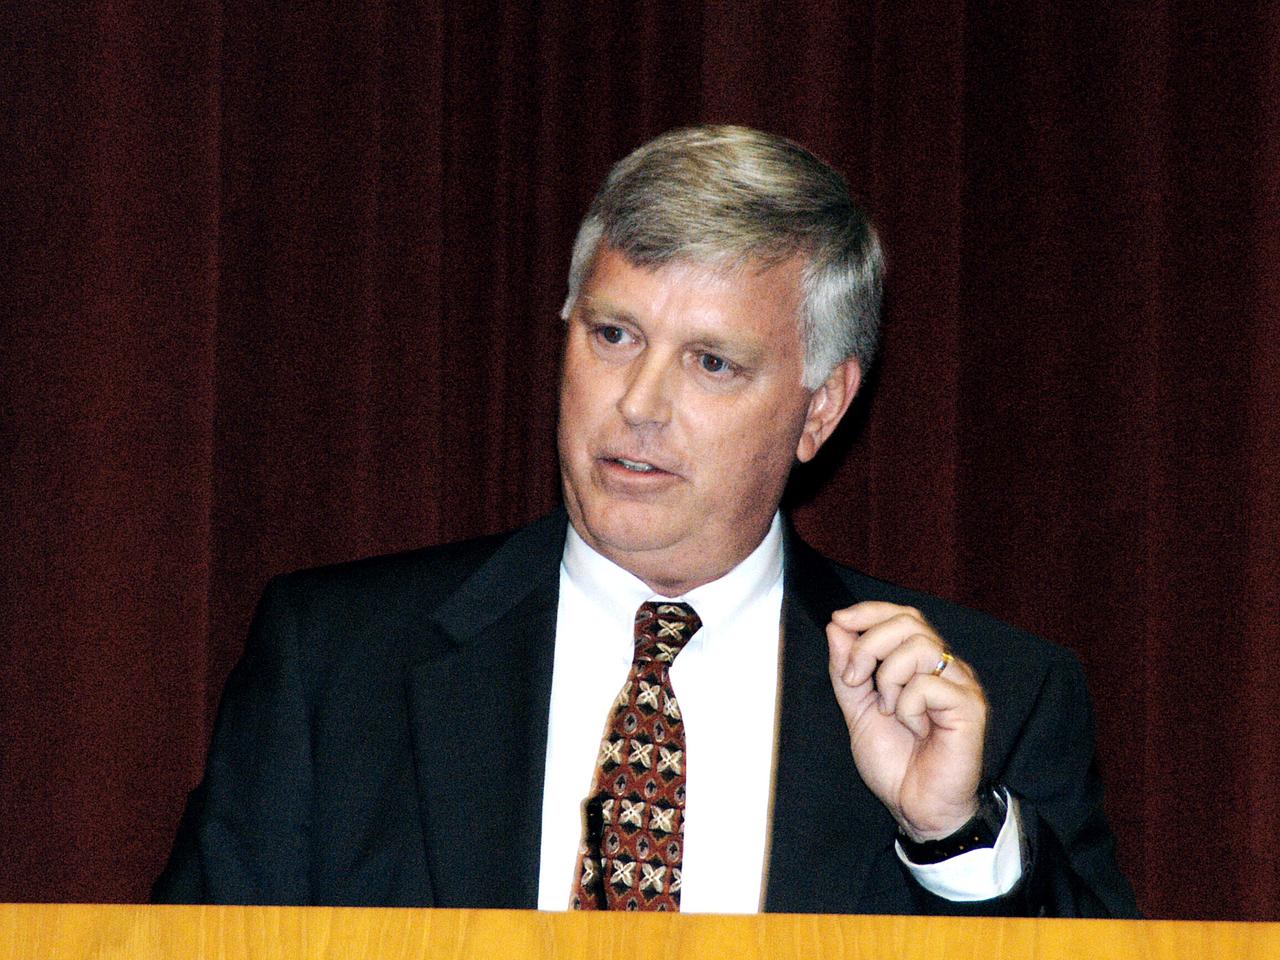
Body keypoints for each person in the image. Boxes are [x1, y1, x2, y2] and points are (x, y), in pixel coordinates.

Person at [154, 125, 1138, 916]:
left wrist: (952, 838)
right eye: (614, 334)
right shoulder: (337, 663)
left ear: (821, 409)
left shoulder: (988, 699)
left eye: (711, 362)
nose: (638, 403)